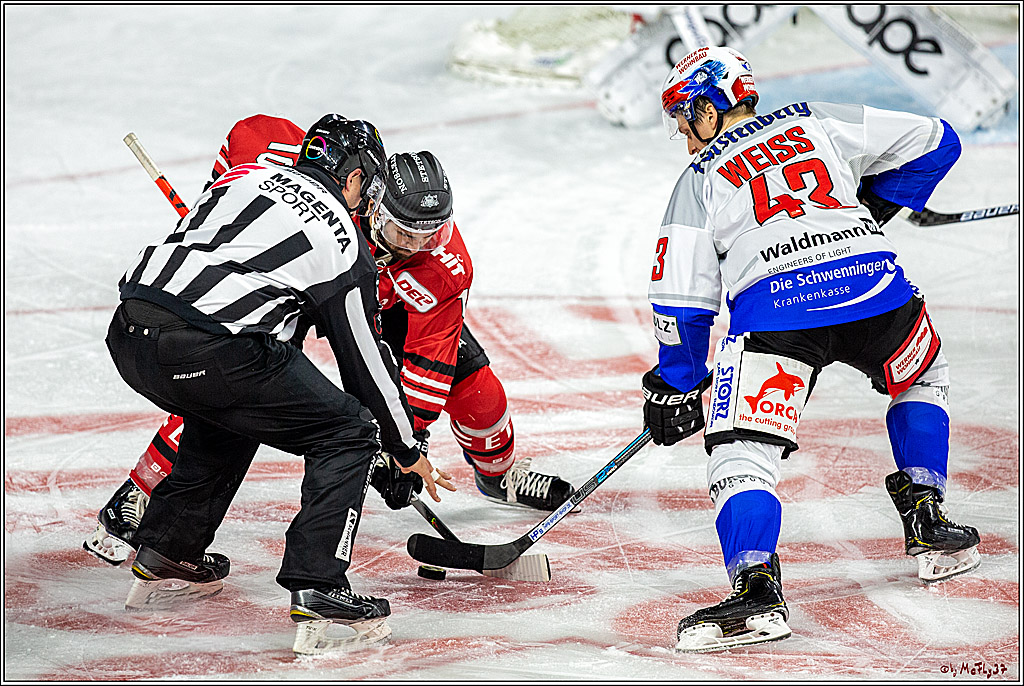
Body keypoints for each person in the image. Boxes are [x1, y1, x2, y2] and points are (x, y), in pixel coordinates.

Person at [85, 114, 575, 566]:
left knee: (478, 391)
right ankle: (141, 489)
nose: (415, 246)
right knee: (227, 377)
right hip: (302, 287)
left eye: (429, 236)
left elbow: (430, 363)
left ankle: (499, 474)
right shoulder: (327, 181)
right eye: (403, 233)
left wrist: (405, 444)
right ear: (372, 199)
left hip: (386, 307)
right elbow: (250, 135)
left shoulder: (443, 266)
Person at [641, 46, 981, 653]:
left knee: (742, 453)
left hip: (779, 314)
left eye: (684, 121)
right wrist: (881, 203)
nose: (685, 140)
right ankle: (929, 520)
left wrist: (679, 382)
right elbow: (937, 142)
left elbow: (682, 300)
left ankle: (757, 592)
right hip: (875, 289)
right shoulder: (816, 119)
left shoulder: (698, 181)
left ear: (707, 108)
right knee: (922, 377)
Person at [107, 113, 454, 653]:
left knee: (230, 410)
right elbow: (362, 361)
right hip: (208, 347)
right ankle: (319, 584)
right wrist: (404, 448)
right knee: (349, 432)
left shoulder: (244, 177)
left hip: (130, 332)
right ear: (355, 178)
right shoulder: (341, 237)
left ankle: (169, 550)